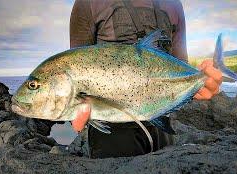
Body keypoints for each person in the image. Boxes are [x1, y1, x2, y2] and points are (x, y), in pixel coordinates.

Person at [70, 0, 222, 158]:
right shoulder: (88, 3)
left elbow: (180, 66)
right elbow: (76, 69)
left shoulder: (174, 4)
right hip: (111, 138)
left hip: (163, 128)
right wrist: (74, 113)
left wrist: (201, 82)